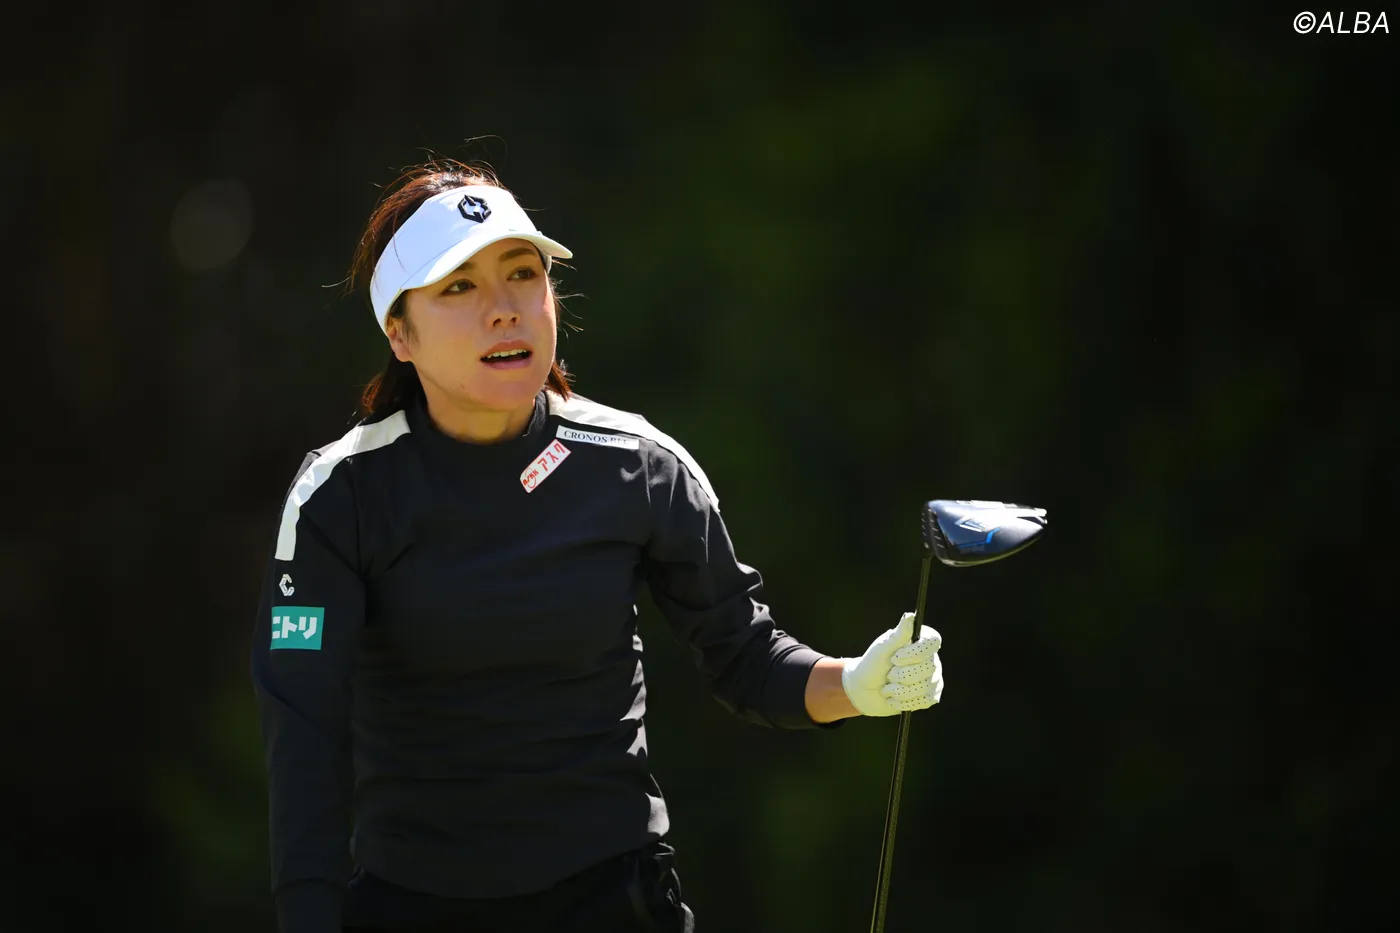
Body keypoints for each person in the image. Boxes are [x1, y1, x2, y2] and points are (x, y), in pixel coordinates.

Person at [250, 159, 945, 933]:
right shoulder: (339, 494)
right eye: (459, 286)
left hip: (614, 901)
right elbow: (304, 737)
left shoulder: (639, 464)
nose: (504, 310)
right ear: (399, 333)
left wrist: (858, 683)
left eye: (523, 274)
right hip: (414, 905)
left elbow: (745, 657)